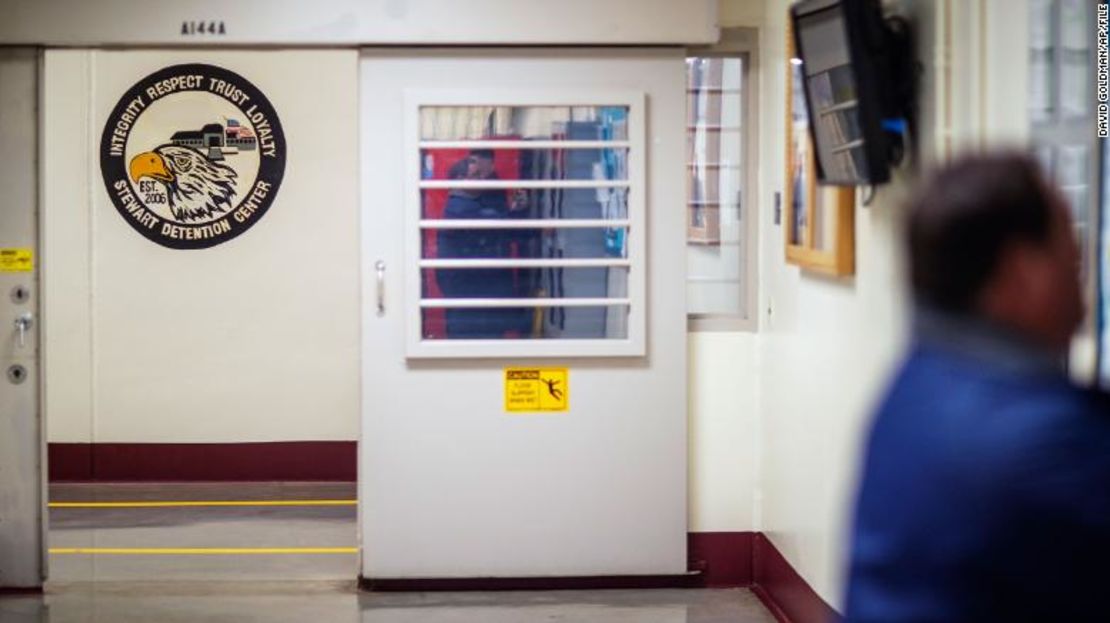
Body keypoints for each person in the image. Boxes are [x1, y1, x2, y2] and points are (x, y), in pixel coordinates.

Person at [844, 153, 1110, 622]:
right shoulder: (1041, 439)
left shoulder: (915, 387)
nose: (1080, 269)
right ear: (1019, 273)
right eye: (1070, 248)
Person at [436, 150, 533, 338]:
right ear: (459, 180)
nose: (482, 180)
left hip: (471, 292)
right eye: (475, 176)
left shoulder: (467, 204)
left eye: (482, 175)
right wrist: (537, 226)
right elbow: (503, 227)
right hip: (470, 293)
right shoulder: (462, 208)